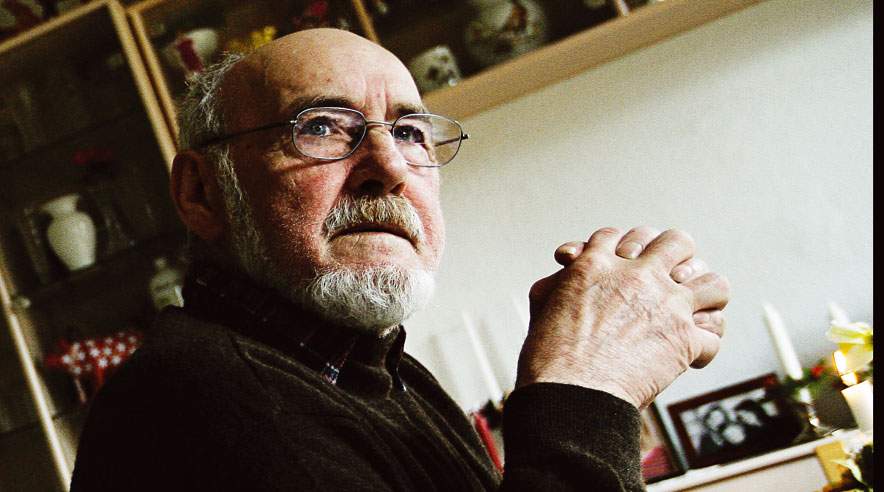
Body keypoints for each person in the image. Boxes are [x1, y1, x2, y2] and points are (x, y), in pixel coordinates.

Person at [70, 28, 729, 491]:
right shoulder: (195, 403)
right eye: (321, 126)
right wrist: (586, 384)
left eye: (410, 132)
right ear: (201, 191)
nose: (388, 167)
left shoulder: (375, 368)